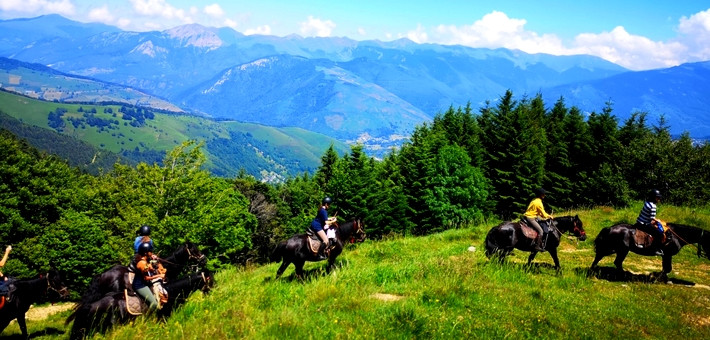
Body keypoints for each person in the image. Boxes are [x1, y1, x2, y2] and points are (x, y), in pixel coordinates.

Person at [131, 242, 164, 313]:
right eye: (150, 251)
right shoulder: (142, 263)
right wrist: (159, 275)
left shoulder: (146, 260)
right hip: (140, 286)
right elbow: (146, 278)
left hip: (145, 283)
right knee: (154, 304)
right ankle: (150, 317)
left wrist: (156, 260)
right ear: (146, 253)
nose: (152, 252)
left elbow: (152, 267)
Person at [635, 189, 665, 256]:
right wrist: (659, 221)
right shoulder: (653, 206)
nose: (659, 199)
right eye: (658, 197)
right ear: (653, 197)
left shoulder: (647, 202)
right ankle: (654, 249)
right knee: (659, 234)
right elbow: (652, 219)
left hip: (639, 222)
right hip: (644, 224)